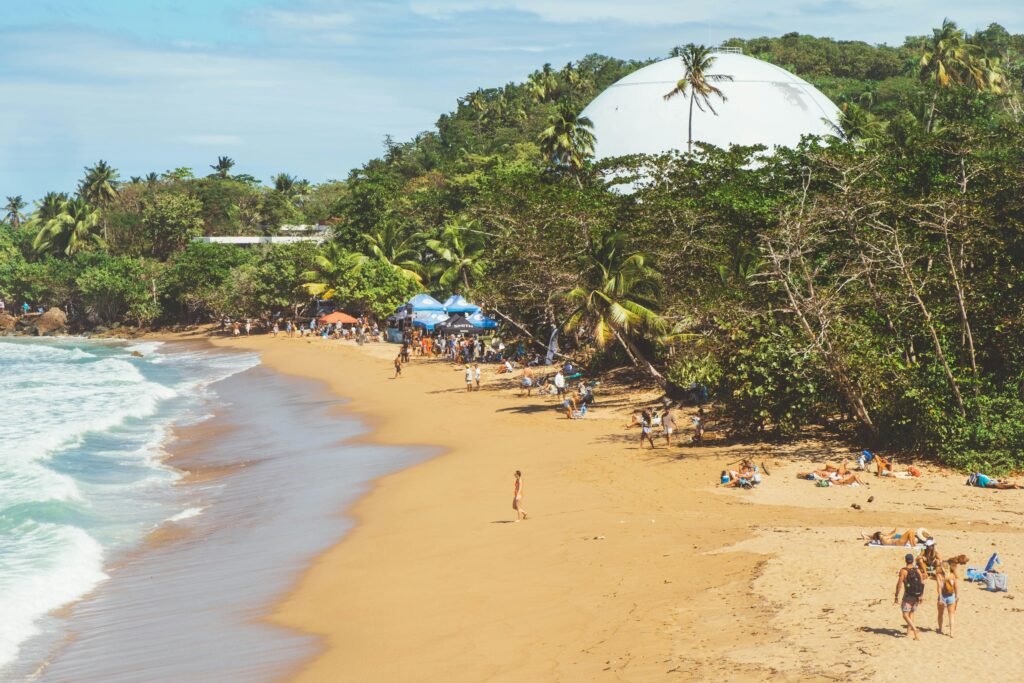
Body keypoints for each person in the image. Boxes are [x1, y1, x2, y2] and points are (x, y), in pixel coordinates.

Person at [895, 553, 924, 640]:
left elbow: (899, 584)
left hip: (908, 595)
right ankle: (908, 633)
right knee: (911, 613)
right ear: (913, 560)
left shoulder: (903, 571)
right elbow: (922, 583)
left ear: (905, 560)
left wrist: (896, 595)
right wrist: (921, 595)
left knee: (905, 614)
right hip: (917, 594)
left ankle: (914, 629)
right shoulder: (917, 570)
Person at [934, 563, 958, 638]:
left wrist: (940, 598)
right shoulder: (952, 575)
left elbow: (939, 588)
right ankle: (951, 633)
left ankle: (940, 629)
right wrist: (957, 596)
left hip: (943, 596)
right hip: (951, 596)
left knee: (940, 614)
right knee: (951, 615)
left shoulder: (939, 576)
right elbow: (956, 587)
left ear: (941, 568)